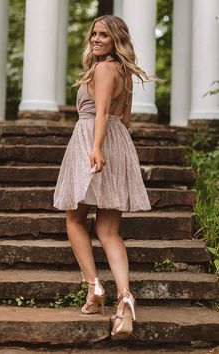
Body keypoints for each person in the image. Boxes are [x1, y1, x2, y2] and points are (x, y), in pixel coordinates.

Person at [53, 15, 159, 339]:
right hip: (118, 142)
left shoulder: (101, 69)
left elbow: (99, 112)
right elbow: (124, 120)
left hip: (93, 143)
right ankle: (125, 297)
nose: (96, 39)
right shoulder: (124, 73)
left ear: (116, 40)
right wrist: (115, 151)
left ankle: (95, 287)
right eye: (94, 34)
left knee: (74, 220)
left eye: (103, 35)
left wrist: (96, 148)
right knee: (109, 230)